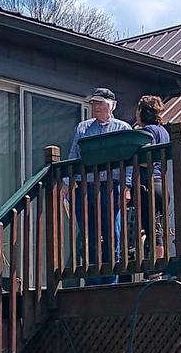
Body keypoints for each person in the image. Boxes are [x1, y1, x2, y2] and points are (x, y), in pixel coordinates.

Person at [67, 87, 131, 284]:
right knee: (88, 233)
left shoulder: (123, 128)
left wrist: (127, 186)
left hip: (110, 186)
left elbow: (129, 160)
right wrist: (66, 184)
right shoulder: (83, 128)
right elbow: (73, 155)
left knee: (113, 232)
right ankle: (93, 278)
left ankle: (111, 278)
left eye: (99, 103)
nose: (95, 107)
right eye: (93, 103)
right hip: (85, 187)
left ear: (112, 105)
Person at [127, 95, 171, 263]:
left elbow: (147, 160)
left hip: (148, 185)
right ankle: (158, 264)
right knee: (157, 227)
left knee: (151, 229)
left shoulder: (147, 132)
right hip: (161, 184)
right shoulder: (164, 132)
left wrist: (132, 157)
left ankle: (156, 266)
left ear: (142, 112)